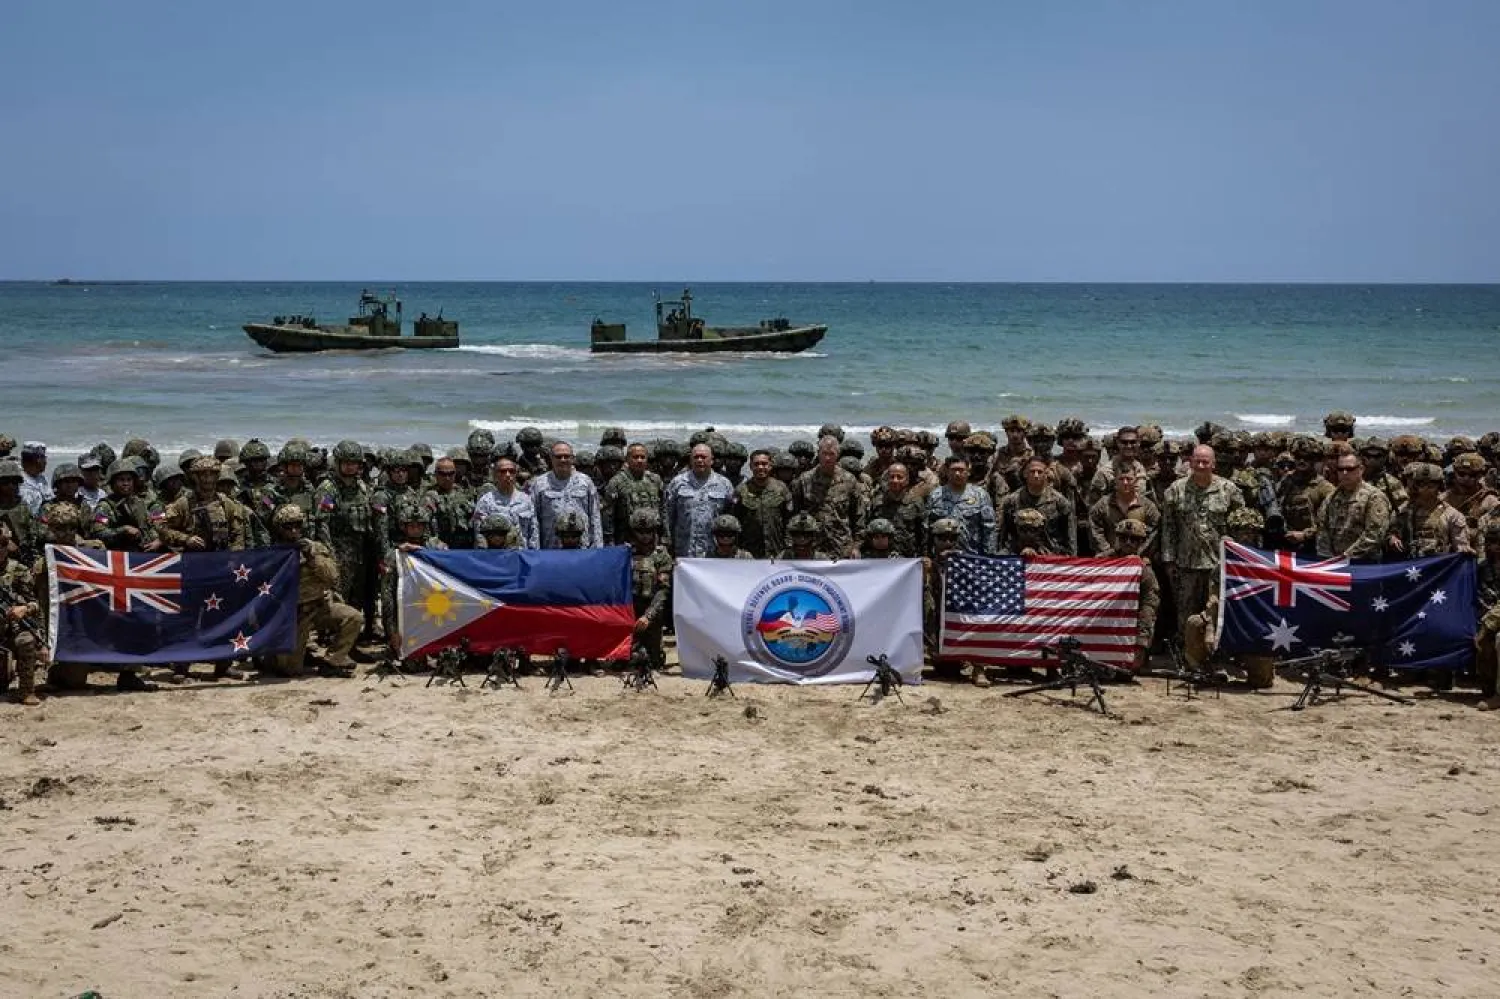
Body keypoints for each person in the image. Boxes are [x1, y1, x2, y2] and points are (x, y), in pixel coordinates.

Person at [264, 505, 361, 678]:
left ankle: (333, 661)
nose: (294, 530)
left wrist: (311, 557)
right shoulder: (274, 554)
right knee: (290, 670)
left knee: (353, 617)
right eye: (288, 526)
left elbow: (332, 576)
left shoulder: (315, 548)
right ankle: (276, 656)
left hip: (320, 607)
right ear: (280, 529)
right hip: (294, 614)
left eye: (298, 525)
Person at [1160, 444, 1244, 640]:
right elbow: (1168, 528)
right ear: (1189, 462)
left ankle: (1215, 654)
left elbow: (1240, 525)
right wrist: (1168, 560)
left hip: (1218, 564)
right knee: (1186, 613)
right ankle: (1188, 656)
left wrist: (1235, 556)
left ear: (1213, 464)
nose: (1200, 465)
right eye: (1196, 461)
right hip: (1186, 564)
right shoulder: (1176, 490)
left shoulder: (1229, 490)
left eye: (1205, 461)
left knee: (1217, 611)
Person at [312, 440, 383, 640]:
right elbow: (322, 522)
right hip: (339, 551)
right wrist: (330, 553)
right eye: (346, 462)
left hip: (360, 552)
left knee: (357, 597)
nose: (350, 466)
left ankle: (350, 642)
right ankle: (333, 641)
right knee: (338, 597)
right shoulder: (328, 488)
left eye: (354, 463)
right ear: (338, 463)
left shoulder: (361, 486)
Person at [790, 436, 866, 558]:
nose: (827, 458)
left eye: (831, 454)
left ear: (838, 455)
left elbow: (858, 517)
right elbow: (794, 516)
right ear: (818, 454)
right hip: (812, 548)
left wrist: (856, 546)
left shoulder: (849, 481)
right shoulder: (804, 480)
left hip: (842, 547)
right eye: (824, 453)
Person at [160, 457, 250, 553]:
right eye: (203, 475)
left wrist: (234, 558)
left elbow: (237, 534)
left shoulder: (226, 504)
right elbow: (163, 530)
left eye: (212, 474)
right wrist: (186, 539)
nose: (208, 479)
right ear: (196, 477)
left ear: (217, 476)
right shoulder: (184, 504)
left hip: (222, 559)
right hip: (194, 559)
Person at [1316, 452, 1392, 561]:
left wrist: (1346, 557)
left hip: (1363, 564)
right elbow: (1322, 529)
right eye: (1340, 469)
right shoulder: (1331, 497)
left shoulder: (1374, 497)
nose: (1345, 473)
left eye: (1350, 469)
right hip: (1333, 562)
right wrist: (1327, 557)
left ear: (1361, 469)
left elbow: (1374, 535)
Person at [664, 443, 735, 557]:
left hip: (713, 552)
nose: (699, 460)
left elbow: (730, 518)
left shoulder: (724, 484)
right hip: (684, 551)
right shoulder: (677, 483)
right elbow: (668, 517)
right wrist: (667, 544)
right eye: (696, 457)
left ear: (711, 460)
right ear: (691, 460)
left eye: (703, 457)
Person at [1107, 517, 1158, 673]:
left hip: (1127, 629)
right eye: (1123, 538)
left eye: (1134, 539)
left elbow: (1148, 607)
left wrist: (1141, 643)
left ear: (1141, 543)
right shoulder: (1102, 562)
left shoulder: (1145, 571)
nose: (1128, 543)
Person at [529, 441, 603, 549]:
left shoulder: (586, 482)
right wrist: (535, 550)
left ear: (572, 458)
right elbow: (534, 520)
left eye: (566, 456)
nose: (563, 460)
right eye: (558, 457)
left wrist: (597, 548)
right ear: (551, 459)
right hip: (551, 549)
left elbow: (595, 516)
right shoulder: (539, 484)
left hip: (582, 548)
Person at [0, 529, 44, 705]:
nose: (0, 549)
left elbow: (36, 604)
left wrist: (24, 608)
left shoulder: (18, 570)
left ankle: (26, 691)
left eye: (3, 544)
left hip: (11, 630)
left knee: (26, 640)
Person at [998, 456, 1076, 556]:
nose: (1036, 475)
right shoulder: (1011, 501)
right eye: (1032, 471)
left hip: (1050, 557)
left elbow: (1070, 538)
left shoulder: (1060, 502)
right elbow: (1003, 535)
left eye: (1040, 472)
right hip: (1017, 555)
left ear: (1046, 474)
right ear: (1025, 474)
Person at [627, 508, 673, 671]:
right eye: (640, 531)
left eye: (648, 531)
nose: (644, 536)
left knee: (653, 663)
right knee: (628, 660)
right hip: (629, 610)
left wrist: (648, 616)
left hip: (652, 610)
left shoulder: (662, 555)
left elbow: (663, 591)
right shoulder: (626, 553)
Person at [1393, 463, 1469, 558]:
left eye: (1431, 485)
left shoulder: (1452, 515)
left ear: (1439, 486)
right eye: (1422, 484)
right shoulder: (1405, 510)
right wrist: (1393, 538)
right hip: (1410, 564)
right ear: (1416, 486)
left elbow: (1461, 547)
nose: (1426, 488)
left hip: (1439, 565)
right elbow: (1392, 532)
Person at [926, 453, 996, 554]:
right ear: (947, 471)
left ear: (968, 471)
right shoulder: (935, 495)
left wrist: (989, 557)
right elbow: (928, 529)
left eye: (961, 470)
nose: (957, 474)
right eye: (954, 470)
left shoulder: (980, 495)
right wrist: (928, 555)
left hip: (972, 556)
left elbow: (989, 529)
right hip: (942, 556)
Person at [732, 449, 792, 558]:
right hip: (750, 553)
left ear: (770, 466)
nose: (760, 467)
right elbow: (735, 522)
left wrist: (788, 546)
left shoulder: (781, 489)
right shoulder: (741, 490)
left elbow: (789, 519)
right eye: (756, 464)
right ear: (750, 466)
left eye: (764, 464)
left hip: (777, 552)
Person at [1088, 466, 1160, 555]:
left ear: (1136, 480)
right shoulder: (1103, 505)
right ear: (1115, 481)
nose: (1125, 482)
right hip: (1109, 560)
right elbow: (1095, 528)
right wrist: (1107, 551)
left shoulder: (1148, 506)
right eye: (1121, 479)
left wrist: (1140, 553)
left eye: (1129, 479)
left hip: (1138, 560)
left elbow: (1154, 533)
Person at [472, 456, 539, 549]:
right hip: (497, 558)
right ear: (495, 475)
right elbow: (479, 535)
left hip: (521, 556)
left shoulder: (527, 500)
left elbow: (533, 533)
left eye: (511, 471)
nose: (508, 475)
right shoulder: (486, 501)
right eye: (503, 471)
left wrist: (533, 557)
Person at [424, 455, 476, 549]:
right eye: (442, 474)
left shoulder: (465, 494)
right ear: (436, 474)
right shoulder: (430, 496)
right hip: (443, 549)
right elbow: (424, 529)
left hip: (466, 547)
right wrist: (437, 543)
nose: (447, 478)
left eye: (450, 474)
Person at [18, 441, 51, 515]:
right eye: (43, 458)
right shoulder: (18, 480)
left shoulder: (42, 479)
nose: (45, 462)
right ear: (34, 460)